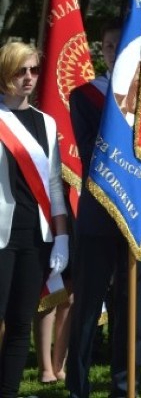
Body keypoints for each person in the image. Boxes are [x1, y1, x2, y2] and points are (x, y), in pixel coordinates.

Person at [67, 19, 141, 398]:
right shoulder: (85, 96)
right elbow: (89, 153)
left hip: (137, 216)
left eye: (125, 46)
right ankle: (78, 386)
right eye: (111, 46)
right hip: (99, 214)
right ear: (103, 51)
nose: (117, 52)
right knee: (87, 305)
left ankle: (125, 385)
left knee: (129, 306)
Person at [0, 41, 69, 398]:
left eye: (33, 70)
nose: (28, 78)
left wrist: (62, 237)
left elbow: (55, 183)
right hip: (0, 236)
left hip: (37, 235)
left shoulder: (47, 122)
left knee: (20, 323)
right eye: (20, 71)